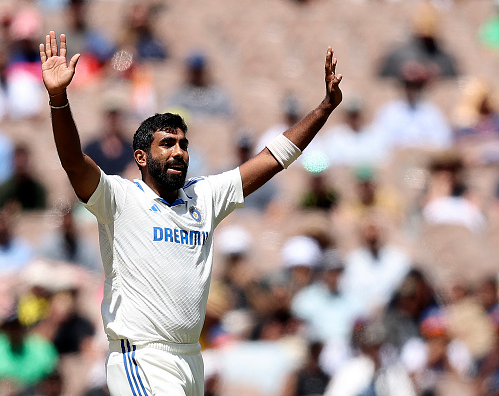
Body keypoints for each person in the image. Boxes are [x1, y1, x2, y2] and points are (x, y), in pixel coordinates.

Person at [40, 31, 342, 396]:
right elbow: (74, 161)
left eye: (183, 144)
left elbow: (272, 159)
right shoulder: (119, 198)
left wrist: (324, 109)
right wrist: (58, 98)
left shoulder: (204, 197)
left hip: (190, 358)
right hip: (142, 358)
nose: (179, 151)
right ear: (141, 158)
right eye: (167, 143)